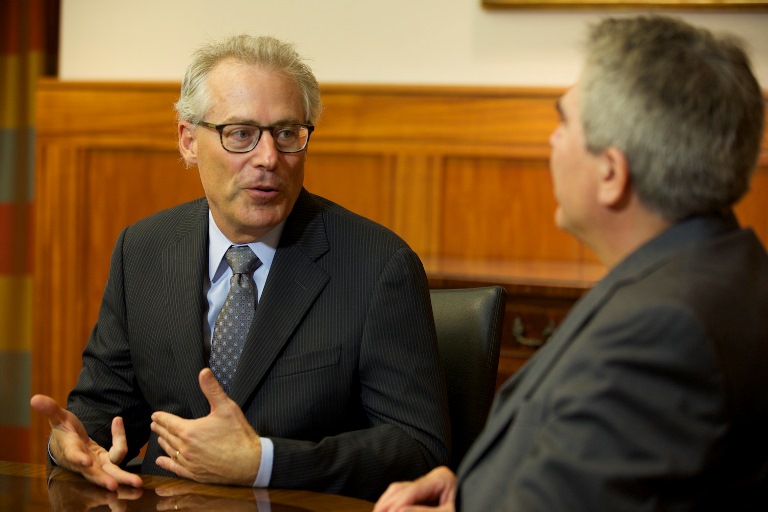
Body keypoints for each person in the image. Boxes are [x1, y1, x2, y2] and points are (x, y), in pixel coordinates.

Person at [30, 34, 450, 502]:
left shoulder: (376, 266)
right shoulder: (143, 250)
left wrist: (263, 462)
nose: (269, 158)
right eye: (241, 134)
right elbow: (102, 413)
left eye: (287, 133)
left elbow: (418, 447)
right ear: (189, 141)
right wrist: (70, 445)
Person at [374, 15, 768, 511]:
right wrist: (470, 495)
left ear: (611, 173)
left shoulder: (661, 331)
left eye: (564, 122)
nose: (553, 141)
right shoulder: (723, 267)